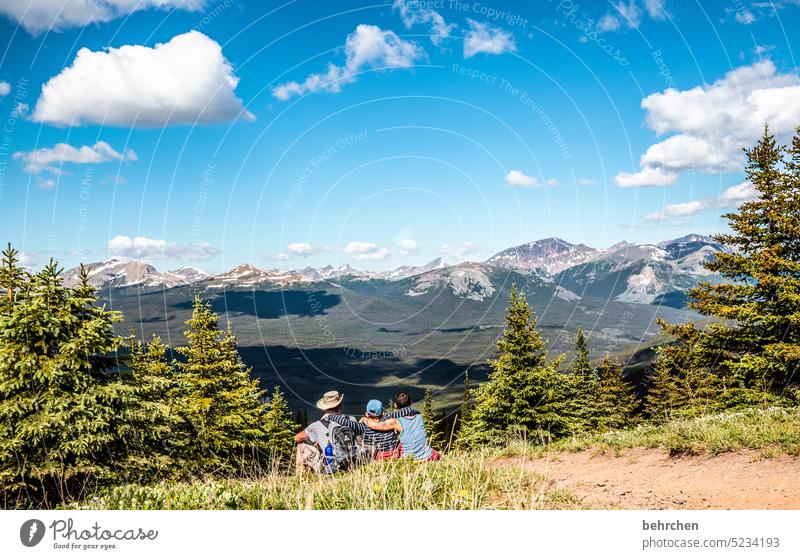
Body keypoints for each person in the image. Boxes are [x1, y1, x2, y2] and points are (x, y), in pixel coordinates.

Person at [361, 392, 440, 462]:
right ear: (411, 403)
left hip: (410, 458)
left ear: (395, 405)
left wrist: (364, 419)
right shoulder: (419, 416)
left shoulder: (395, 421)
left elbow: (375, 425)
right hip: (427, 455)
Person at [294, 390, 359, 474]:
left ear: (325, 409)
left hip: (329, 468)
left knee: (301, 446)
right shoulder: (352, 420)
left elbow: (297, 438)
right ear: (340, 406)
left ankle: (300, 476)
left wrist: (314, 439)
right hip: (351, 463)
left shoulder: (316, 426)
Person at [328, 399, 402, 462]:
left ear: (366, 413)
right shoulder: (389, 421)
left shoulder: (362, 427)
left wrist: (330, 415)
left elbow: (346, 422)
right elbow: (404, 411)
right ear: (382, 412)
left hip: (376, 460)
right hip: (393, 457)